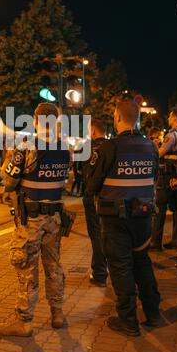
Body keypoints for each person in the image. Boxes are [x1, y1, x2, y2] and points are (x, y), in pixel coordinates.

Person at [87, 99, 160, 336]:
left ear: (117, 118)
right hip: (143, 217)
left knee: (120, 267)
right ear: (137, 119)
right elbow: (154, 177)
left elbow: (91, 186)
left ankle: (128, 320)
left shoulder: (109, 148)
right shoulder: (151, 147)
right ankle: (153, 313)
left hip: (116, 219)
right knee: (142, 261)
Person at [0, 102, 70, 337]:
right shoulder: (64, 147)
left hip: (32, 221)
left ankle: (24, 321)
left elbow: (9, 182)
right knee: (53, 266)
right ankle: (57, 313)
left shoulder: (27, 146)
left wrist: (6, 161)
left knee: (27, 269)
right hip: (55, 218)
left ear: (37, 121)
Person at [151, 107, 177, 251]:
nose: (168, 119)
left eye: (170, 116)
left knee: (160, 207)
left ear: (175, 118)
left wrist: (154, 147)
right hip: (176, 174)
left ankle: (156, 242)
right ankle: (176, 240)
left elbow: (160, 153)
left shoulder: (171, 136)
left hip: (166, 176)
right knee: (176, 208)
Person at [82, 119, 108, 287]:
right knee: (107, 234)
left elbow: (86, 174)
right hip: (110, 198)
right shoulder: (112, 146)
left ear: (93, 131)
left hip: (93, 197)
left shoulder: (88, 148)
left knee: (96, 234)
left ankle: (99, 273)